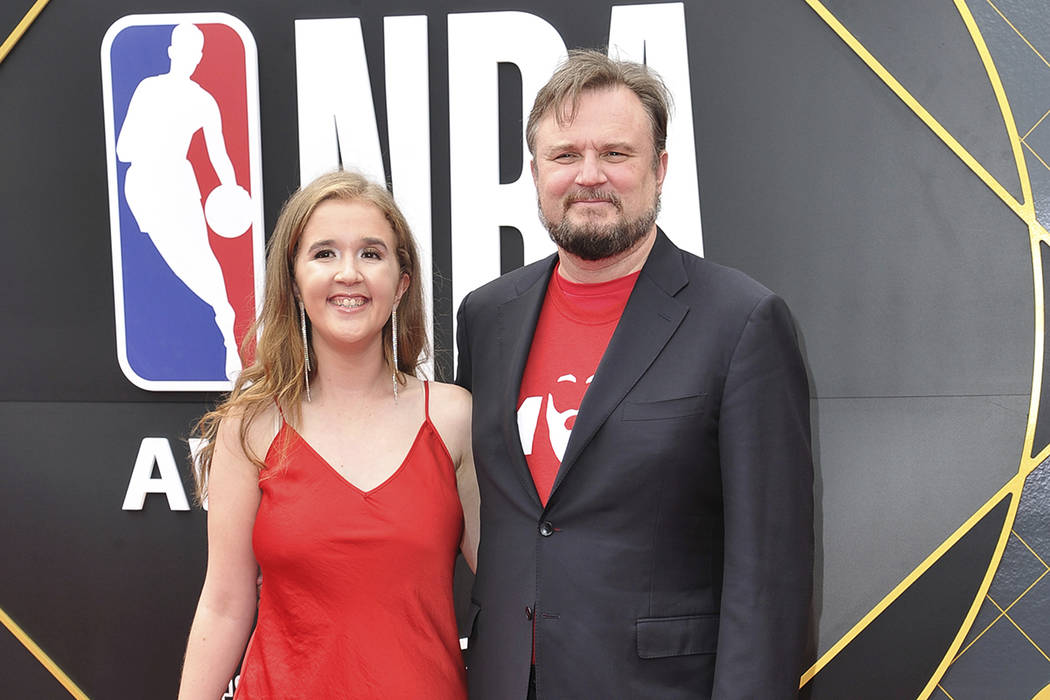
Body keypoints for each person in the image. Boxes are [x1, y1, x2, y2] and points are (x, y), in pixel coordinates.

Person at [455, 50, 813, 699]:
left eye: (616, 154)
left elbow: (769, 580)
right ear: (535, 171)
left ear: (660, 168)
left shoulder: (741, 322)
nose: (589, 177)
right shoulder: (487, 316)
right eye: (565, 156)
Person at [177, 170, 479, 699]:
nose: (348, 274)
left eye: (370, 253)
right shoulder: (251, 427)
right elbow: (225, 604)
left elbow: (511, 587)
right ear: (294, 281)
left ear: (401, 281)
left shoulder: (452, 419)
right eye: (323, 254)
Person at [116, 22, 242, 379]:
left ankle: (227, 331)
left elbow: (220, 155)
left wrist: (231, 191)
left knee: (200, 256)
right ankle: (217, 320)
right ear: (172, 52)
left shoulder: (204, 100)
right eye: (184, 50)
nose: (188, 57)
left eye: (194, 52)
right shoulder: (149, 89)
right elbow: (123, 148)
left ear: (199, 58)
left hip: (178, 184)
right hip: (143, 187)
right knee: (171, 262)